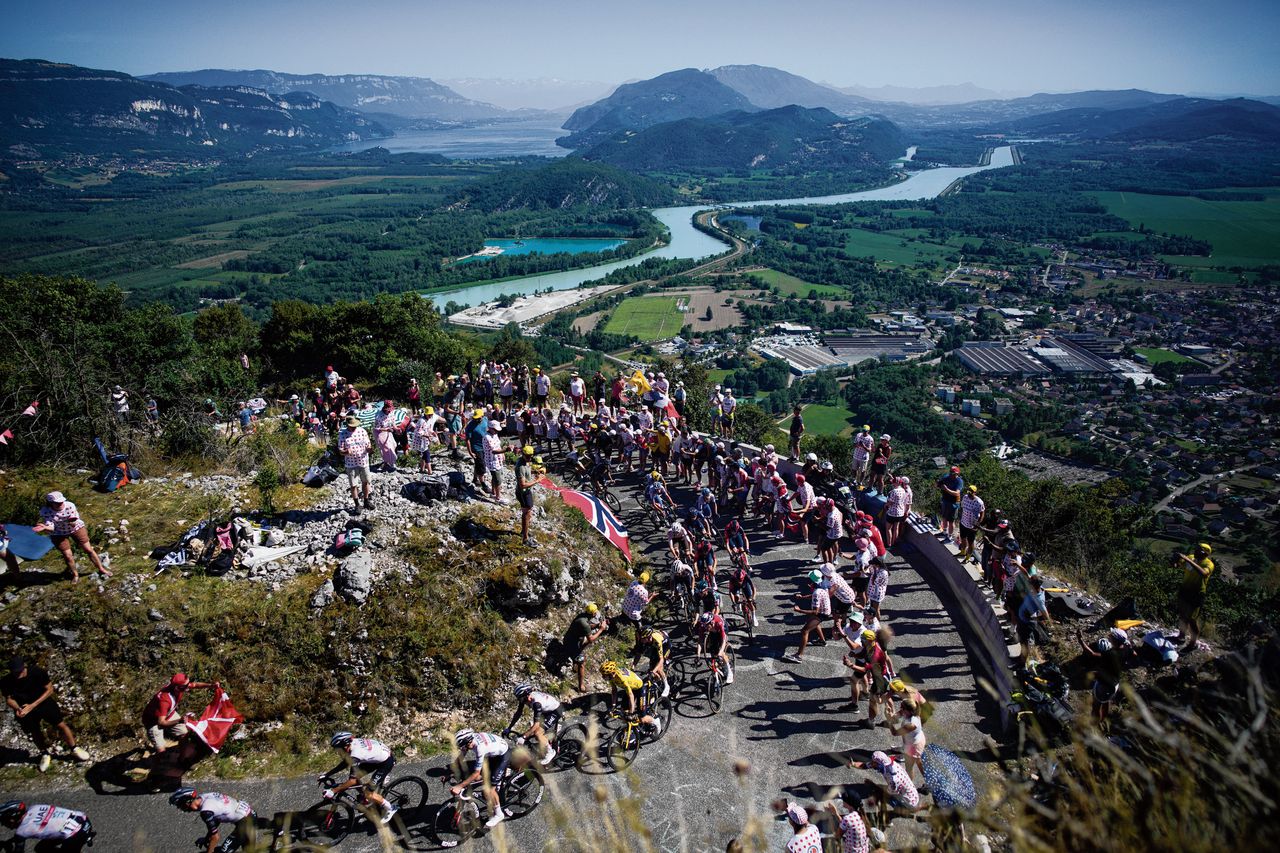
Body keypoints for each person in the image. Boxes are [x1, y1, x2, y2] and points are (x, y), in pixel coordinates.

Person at [1, 659, 90, 772]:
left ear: (24, 667)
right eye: (14, 672)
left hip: (44, 703)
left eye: (19, 671)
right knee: (35, 731)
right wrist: (18, 708)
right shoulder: (6, 681)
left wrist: (32, 705)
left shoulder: (37, 672)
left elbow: (49, 689)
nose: (17, 674)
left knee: (60, 724)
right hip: (25, 708)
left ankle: (74, 748)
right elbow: (9, 699)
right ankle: (45, 754)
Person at [32, 492, 110, 582]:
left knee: (88, 549)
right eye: (57, 503)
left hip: (76, 528)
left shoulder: (69, 506)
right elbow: (51, 527)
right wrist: (45, 527)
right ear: (50, 503)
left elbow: (74, 521)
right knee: (67, 555)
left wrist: (72, 522)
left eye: (61, 501)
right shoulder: (45, 511)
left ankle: (101, 569)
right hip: (58, 532)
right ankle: (75, 575)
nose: (61, 504)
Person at [325, 732, 398, 825]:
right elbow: (346, 762)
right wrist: (328, 774)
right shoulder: (352, 744)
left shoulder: (356, 754)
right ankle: (366, 799)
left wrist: (334, 790)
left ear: (345, 746)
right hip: (376, 757)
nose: (337, 752)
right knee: (355, 778)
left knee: (368, 793)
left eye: (338, 749)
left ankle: (391, 808)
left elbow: (352, 780)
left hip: (386, 762)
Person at [142, 673, 213, 755]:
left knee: (184, 733)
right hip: (153, 722)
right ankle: (159, 763)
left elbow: (194, 685)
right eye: (186, 686)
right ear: (177, 688)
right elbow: (161, 723)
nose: (188, 687)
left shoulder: (178, 687)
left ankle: (181, 758)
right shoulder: (165, 700)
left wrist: (211, 685)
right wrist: (179, 721)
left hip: (168, 714)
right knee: (161, 750)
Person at [452, 729, 510, 828]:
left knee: (488, 790)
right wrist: (450, 773)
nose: (463, 748)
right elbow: (461, 757)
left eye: (463, 746)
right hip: (493, 753)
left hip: (502, 756)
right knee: (477, 778)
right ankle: (497, 785)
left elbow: (475, 773)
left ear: (469, 741)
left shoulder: (480, 748)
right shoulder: (470, 740)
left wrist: (460, 786)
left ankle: (499, 814)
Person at [169, 787, 256, 853]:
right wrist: (206, 839)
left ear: (187, 802)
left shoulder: (205, 812)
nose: (180, 808)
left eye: (179, 805)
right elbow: (216, 819)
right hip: (250, 814)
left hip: (245, 822)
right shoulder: (204, 797)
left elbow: (215, 837)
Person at [0, 800, 94, 852]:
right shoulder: (34, 807)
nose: (3, 824)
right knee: (42, 847)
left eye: (3, 821)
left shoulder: (22, 831)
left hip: (75, 834)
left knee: (42, 849)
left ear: (12, 818)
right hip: (83, 820)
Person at [599, 661, 662, 735]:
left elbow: (631, 695)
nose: (604, 677)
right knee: (623, 712)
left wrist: (631, 712)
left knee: (642, 718)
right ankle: (630, 729)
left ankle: (656, 721)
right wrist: (613, 705)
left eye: (605, 676)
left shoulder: (621, 679)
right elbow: (614, 690)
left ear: (612, 673)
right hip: (631, 688)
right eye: (603, 675)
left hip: (639, 688)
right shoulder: (612, 677)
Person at [782, 570, 831, 664]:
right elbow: (813, 596)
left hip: (821, 613)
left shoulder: (817, 592)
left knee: (805, 631)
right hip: (825, 611)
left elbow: (815, 611)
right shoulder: (823, 586)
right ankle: (822, 641)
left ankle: (799, 656)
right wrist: (803, 597)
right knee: (813, 622)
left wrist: (799, 610)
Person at [507, 683, 562, 765]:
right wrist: (509, 728)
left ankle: (551, 752)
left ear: (526, 695)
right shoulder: (526, 698)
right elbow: (518, 713)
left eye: (521, 698)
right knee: (535, 731)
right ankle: (547, 740)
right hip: (546, 710)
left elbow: (536, 725)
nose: (521, 701)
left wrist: (524, 737)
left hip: (556, 711)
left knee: (537, 733)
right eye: (519, 699)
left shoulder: (536, 703)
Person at [1077, 629, 1123, 725]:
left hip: (1105, 685)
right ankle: (1103, 719)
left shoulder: (1111, 653)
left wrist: (1080, 640)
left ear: (1114, 639)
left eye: (1111, 635)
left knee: (1096, 706)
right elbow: (1133, 654)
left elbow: (1092, 654)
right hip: (1115, 684)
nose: (1109, 635)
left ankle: (1094, 725)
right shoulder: (1125, 649)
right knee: (1106, 701)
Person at [1176, 543, 1215, 653]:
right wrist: (1175, 561)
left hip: (1197, 593)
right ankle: (1181, 636)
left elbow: (1204, 573)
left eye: (1199, 551)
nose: (1196, 552)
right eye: (1196, 550)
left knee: (1192, 619)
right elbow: (1179, 565)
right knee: (1183, 614)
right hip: (1185, 590)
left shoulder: (1209, 564)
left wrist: (1189, 561)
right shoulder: (1191, 557)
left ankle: (1192, 643)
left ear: (1206, 554)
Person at [851, 750, 920, 812]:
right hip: (903, 791)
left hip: (909, 802)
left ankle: (896, 812)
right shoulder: (886, 763)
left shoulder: (893, 779)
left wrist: (873, 785)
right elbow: (865, 765)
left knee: (881, 795)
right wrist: (853, 764)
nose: (872, 764)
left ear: (879, 764)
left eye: (874, 763)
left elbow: (889, 793)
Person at [562, 603, 607, 692]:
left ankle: (576, 658)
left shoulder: (582, 616)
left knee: (584, 642)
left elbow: (587, 627)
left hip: (572, 639)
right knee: (582, 663)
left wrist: (597, 625)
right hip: (572, 644)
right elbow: (591, 639)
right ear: (593, 614)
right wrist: (601, 629)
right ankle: (581, 686)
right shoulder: (584, 624)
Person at [337, 416, 373, 511]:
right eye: (352, 426)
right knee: (353, 484)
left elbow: (368, 444)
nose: (354, 428)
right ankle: (357, 504)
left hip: (363, 461)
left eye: (355, 426)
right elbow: (340, 450)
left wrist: (369, 449)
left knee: (366, 481)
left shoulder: (362, 431)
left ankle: (366, 501)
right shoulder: (342, 434)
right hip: (351, 463)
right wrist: (345, 452)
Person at [1016, 575, 1051, 667]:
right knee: (1022, 640)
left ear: (1034, 585)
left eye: (1030, 583)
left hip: (1027, 622)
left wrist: (1036, 619)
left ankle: (1022, 663)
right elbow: (1027, 574)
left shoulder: (1039, 599)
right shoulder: (1037, 589)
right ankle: (1020, 657)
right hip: (1022, 619)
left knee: (1025, 642)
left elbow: (1045, 614)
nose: (1028, 583)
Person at [889, 699, 927, 782]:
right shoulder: (913, 713)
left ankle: (908, 785)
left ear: (909, 711)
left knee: (909, 768)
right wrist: (894, 716)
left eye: (902, 708)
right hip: (916, 739)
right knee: (918, 760)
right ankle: (928, 780)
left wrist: (890, 721)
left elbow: (895, 733)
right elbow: (900, 713)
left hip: (913, 746)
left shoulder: (911, 725)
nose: (900, 709)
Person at [695, 611, 734, 684]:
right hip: (713, 631)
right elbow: (700, 641)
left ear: (711, 622)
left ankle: (729, 671)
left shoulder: (719, 623)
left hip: (722, 629)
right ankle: (717, 670)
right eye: (704, 625)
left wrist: (720, 652)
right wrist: (698, 655)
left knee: (720, 652)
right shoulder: (703, 625)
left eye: (707, 625)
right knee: (713, 652)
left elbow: (723, 641)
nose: (705, 627)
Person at [620, 572, 653, 652]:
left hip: (625, 607)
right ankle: (638, 647)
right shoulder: (644, 592)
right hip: (633, 614)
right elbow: (646, 603)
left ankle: (622, 621)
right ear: (646, 581)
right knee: (640, 630)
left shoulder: (633, 582)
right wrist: (652, 596)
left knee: (624, 617)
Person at [635, 628, 672, 698]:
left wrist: (654, 671)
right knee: (652, 666)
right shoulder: (643, 639)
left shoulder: (657, 640)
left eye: (642, 639)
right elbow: (638, 654)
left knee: (658, 669)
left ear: (648, 637)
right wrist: (634, 665)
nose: (640, 640)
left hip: (665, 645)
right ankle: (658, 680)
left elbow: (661, 659)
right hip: (655, 647)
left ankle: (667, 686)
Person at [514, 446, 538, 546]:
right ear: (523, 454)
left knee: (528, 512)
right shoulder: (520, 467)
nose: (529, 458)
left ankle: (524, 531)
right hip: (523, 493)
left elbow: (526, 473)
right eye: (527, 456)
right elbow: (522, 485)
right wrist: (537, 480)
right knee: (527, 513)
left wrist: (534, 472)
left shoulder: (525, 462)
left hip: (526, 492)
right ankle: (525, 539)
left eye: (530, 456)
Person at [957, 485, 985, 564]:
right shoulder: (965, 497)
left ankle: (968, 557)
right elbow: (962, 507)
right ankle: (962, 552)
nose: (969, 493)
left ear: (975, 493)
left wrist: (978, 524)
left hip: (972, 526)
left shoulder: (979, 502)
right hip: (963, 522)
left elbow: (982, 513)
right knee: (963, 538)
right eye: (968, 491)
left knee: (971, 542)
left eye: (971, 492)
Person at [882, 476, 911, 549]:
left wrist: (886, 505)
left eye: (893, 482)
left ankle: (889, 544)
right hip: (900, 512)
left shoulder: (894, 491)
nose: (892, 483)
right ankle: (894, 543)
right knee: (896, 528)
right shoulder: (903, 490)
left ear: (895, 483)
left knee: (888, 529)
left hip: (892, 512)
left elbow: (890, 503)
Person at [936, 466, 964, 540]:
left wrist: (946, 489)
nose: (953, 475)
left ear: (958, 473)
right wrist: (939, 485)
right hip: (945, 500)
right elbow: (938, 484)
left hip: (954, 503)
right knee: (944, 517)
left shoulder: (959, 481)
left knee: (951, 521)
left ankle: (950, 536)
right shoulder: (946, 477)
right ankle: (944, 532)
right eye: (952, 473)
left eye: (955, 473)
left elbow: (957, 493)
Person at [372, 400, 400, 472]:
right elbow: (376, 428)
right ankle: (389, 464)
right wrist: (387, 429)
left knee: (393, 445)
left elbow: (393, 423)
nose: (390, 411)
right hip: (380, 433)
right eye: (388, 410)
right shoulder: (379, 416)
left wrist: (396, 429)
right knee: (386, 448)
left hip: (388, 431)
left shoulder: (391, 413)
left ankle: (388, 463)